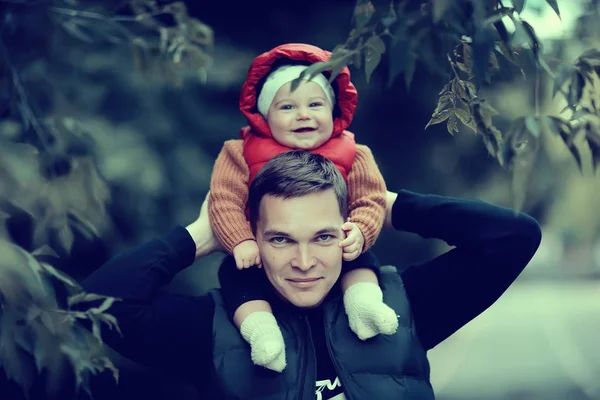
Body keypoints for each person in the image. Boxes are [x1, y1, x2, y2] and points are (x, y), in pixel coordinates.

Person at [80, 150, 542, 400]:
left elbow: (513, 237)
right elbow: (96, 304)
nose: (305, 262)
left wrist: (379, 204)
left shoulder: (400, 307)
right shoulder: (212, 328)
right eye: (281, 239)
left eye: (323, 237)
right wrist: (205, 233)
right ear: (254, 239)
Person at [208, 43, 395, 371]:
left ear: (332, 110)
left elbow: (372, 199)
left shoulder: (355, 153)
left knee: (361, 256)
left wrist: (361, 230)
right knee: (234, 275)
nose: (303, 114)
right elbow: (224, 200)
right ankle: (262, 331)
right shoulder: (240, 152)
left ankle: (363, 302)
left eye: (314, 104)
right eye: (287, 107)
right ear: (266, 116)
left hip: (333, 246)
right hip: (264, 252)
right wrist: (240, 240)